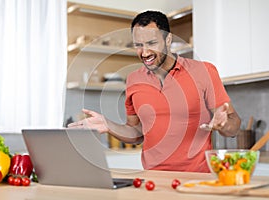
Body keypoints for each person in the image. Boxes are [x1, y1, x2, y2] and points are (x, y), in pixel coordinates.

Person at [68, 10, 241, 172]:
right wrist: (108, 125)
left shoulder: (204, 71)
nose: (144, 52)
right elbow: (136, 132)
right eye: (138, 45)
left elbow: (233, 126)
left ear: (168, 40)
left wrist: (224, 124)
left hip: (197, 178)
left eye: (151, 43)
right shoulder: (134, 80)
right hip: (152, 179)